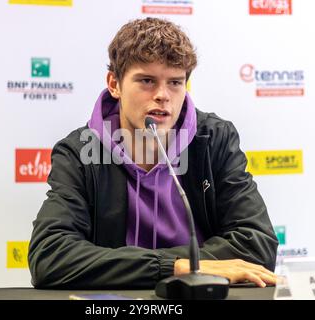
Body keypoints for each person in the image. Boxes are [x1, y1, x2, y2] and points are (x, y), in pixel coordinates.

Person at [28, 17, 278, 289]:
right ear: (114, 84)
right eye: (147, 81)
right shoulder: (79, 152)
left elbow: (257, 245)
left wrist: (175, 268)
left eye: (175, 83)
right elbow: (50, 256)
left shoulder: (214, 139)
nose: (162, 95)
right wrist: (178, 267)